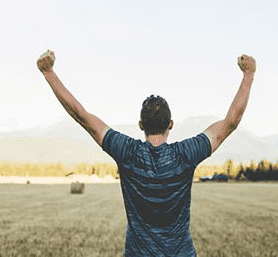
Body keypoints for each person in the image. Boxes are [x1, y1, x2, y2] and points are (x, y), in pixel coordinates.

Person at [37, 50, 256, 257]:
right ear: (170, 124)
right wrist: (248, 74)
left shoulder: (127, 152)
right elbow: (231, 122)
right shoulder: (186, 154)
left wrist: (49, 73)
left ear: (141, 124)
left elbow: (80, 115)